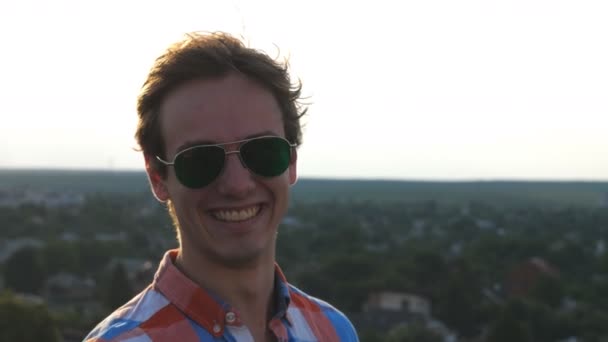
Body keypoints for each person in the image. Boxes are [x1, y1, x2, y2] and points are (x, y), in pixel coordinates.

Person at [83, 32, 359, 342]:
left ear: (291, 161)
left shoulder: (332, 331)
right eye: (200, 159)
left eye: (263, 152)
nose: (237, 185)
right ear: (157, 176)